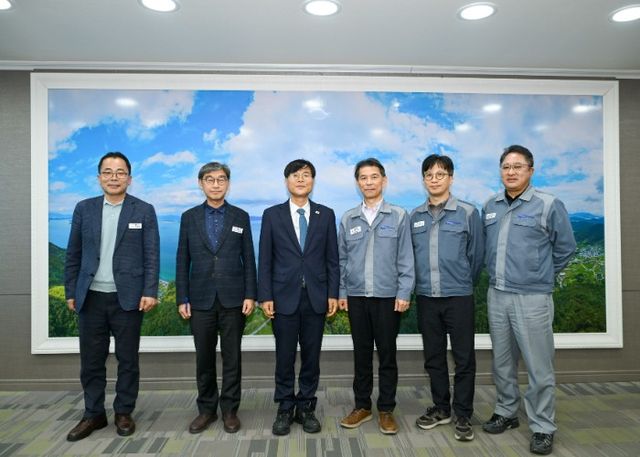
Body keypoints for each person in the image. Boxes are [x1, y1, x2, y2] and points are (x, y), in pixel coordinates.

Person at [481, 145, 576, 455]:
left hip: (532, 298)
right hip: (497, 295)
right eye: (506, 167)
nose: (511, 172)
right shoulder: (490, 205)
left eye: (517, 166)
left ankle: (543, 426)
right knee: (502, 361)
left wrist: (540, 273)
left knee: (538, 366)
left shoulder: (549, 204)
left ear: (530, 171)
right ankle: (506, 411)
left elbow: (566, 248)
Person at [64, 151, 160, 441]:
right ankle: (93, 414)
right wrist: (71, 290)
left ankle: (123, 412)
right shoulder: (84, 208)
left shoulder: (143, 210)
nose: (114, 177)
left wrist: (150, 291)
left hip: (127, 298)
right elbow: (73, 253)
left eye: (120, 172)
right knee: (91, 361)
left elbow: (152, 255)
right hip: (91, 297)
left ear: (129, 179)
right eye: (108, 172)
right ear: (99, 178)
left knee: (127, 360)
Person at [257, 159, 339, 436]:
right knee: (285, 356)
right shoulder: (272, 215)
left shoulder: (326, 215)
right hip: (283, 298)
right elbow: (265, 259)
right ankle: (284, 407)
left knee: (311, 357)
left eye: (306, 175)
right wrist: (265, 295)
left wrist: (332, 293)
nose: (301, 179)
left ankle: (306, 406)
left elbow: (332, 259)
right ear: (287, 181)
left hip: (316, 297)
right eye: (295, 175)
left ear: (313, 181)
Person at [176, 162, 257, 434]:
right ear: (201, 183)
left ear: (228, 184)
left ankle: (230, 410)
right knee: (204, 359)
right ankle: (207, 410)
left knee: (232, 358)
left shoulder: (240, 216)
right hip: (200, 300)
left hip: (234, 299)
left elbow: (249, 258)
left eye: (221, 179)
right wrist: (182, 297)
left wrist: (250, 294)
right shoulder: (188, 217)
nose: (215, 184)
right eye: (210, 179)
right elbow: (182, 259)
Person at [338, 158, 415, 435]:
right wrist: (342, 292)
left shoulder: (398, 215)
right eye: (363, 178)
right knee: (361, 355)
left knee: (387, 355)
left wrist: (404, 291)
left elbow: (406, 257)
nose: (369, 182)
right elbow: (342, 260)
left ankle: (386, 409)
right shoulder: (348, 218)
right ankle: (362, 406)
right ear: (357, 182)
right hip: (357, 297)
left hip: (387, 297)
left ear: (384, 180)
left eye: (374, 177)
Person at [410, 154, 484, 441]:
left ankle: (463, 413)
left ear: (451, 178)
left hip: (459, 297)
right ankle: (442, 408)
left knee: (464, 358)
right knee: (434, 357)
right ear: (424, 180)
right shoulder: (415, 216)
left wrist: (462, 282)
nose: (434, 179)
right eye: (429, 175)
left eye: (440, 174)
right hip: (426, 298)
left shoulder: (468, 212)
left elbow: (476, 257)